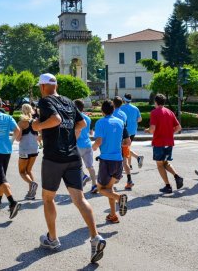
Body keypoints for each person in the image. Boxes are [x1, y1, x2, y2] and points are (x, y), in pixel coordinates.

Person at [32, 73, 106, 264]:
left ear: (42, 87)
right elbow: (81, 123)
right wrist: (70, 135)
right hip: (73, 156)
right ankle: (95, 237)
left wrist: (38, 125)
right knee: (79, 199)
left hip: (54, 158)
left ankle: (53, 239)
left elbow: (55, 120)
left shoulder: (45, 101)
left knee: (48, 198)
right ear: (55, 85)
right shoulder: (68, 101)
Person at [92, 100, 130, 224]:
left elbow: (99, 141)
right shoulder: (120, 122)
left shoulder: (100, 122)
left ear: (102, 111)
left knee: (100, 189)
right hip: (118, 160)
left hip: (106, 160)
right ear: (114, 110)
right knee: (109, 188)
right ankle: (113, 215)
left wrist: (93, 148)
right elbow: (127, 141)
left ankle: (120, 198)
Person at [145, 94, 184, 194]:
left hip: (159, 142)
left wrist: (147, 130)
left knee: (159, 164)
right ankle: (177, 177)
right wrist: (170, 133)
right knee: (165, 162)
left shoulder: (154, 112)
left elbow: (152, 129)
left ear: (156, 102)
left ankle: (168, 186)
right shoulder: (170, 112)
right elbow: (179, 127)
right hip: (169, 142)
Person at [16, 103, 40, 199]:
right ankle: (31, 193)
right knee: (29, 170)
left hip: (24, 149)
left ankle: (32, 184)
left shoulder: (21, 123)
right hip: (34, 149)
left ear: (22, 111)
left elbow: (18, 138)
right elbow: (39, 135)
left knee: (22, 171)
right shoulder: (35, 122)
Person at [74, 99, 97, 194]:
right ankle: (94, 185)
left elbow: (78, 131)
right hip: (87, 143)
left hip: (78, 145)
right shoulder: (88, 118)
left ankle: (83, 176)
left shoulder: (75, 118)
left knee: (74, 165)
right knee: (90, 166)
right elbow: (89, 131)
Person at [113, 96, 134, 190]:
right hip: (125, 139)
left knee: (113, 161)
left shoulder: (112, 113)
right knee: (125, 161)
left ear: (113, 103)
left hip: (116, 141)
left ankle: (113, 180)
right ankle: (129, 180)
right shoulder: (123, 114)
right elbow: (126, 126)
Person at [120, 93, 144, 170]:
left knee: (125, 148)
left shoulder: (121, 108)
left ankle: (138, 157)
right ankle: (129, 165)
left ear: (124, 99)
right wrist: (133, 121)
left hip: (124, 131)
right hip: (133, 130)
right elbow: (140, 119)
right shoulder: (135, 108)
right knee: (128, 147)